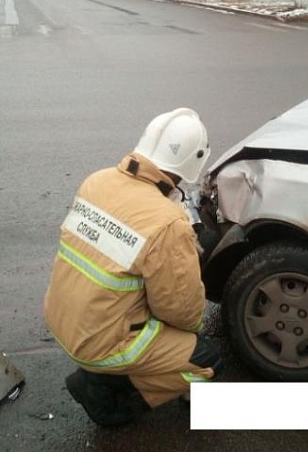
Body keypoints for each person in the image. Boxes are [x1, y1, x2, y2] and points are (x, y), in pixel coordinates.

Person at [43, 108, 222, 426]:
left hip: (62, 321)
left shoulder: (97, 181)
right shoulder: (168, 222)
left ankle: (100, 373)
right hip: (100, 342)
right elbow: (180, 311)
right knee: (205, 358)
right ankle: (106, 397)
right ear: (192, 163)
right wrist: (192, 327)